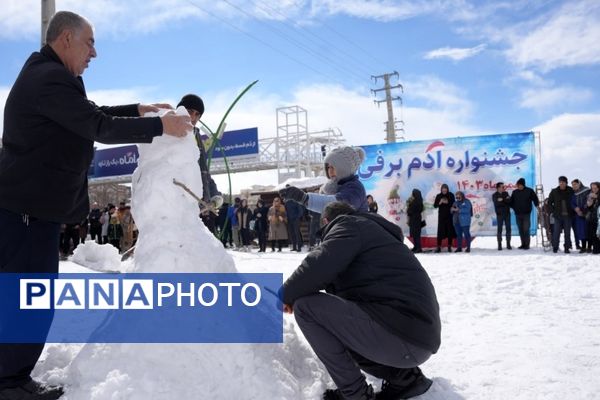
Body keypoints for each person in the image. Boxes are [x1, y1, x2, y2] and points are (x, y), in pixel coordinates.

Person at [0, 11, 191, 399]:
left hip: (29, 211)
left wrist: (136, 109)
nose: (95, 53)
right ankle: (9, 383)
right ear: (66, 38)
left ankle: (11, 376)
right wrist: (159, 126)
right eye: (90, 42)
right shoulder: (48, 79)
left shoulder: (53, 77)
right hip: (25, 213)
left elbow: (92, 114)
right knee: (28, 301)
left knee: (25, 298)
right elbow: (98, 127)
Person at [280, 201, 440, 400]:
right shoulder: (372, 234)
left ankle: (355, 395)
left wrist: (285, 295)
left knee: (306, 308)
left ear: (327, 221)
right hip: (415, 338)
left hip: (401, 336)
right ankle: (406, 379)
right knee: (337, 322)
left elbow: (321, 263)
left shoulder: (349, 225)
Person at [177, 94, 221, 234]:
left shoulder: (196, 136)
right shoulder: (170, 134)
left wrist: (214, 195)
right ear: (181, 110)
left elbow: (204, 171)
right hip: (182, 207)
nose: (194, 117)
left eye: (198, 114)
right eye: (190, 112)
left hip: (203, 206)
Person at [280, 146, 368, 214]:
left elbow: (338, 206)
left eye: (334, 166)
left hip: (356, 235)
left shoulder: (355, 188)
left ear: (345, 168)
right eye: (328, 167)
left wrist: (303, 198)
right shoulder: (332, 188)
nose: (330, 170)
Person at [509, 178, 539, 250]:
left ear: (523, 184)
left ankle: (527, 245)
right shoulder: (515, 192)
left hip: (526, 214)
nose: (519, 186)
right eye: (518, 185)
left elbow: (535, 198)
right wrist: (514, 208)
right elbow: (511, 202)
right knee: (520, 230)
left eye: (520, 185)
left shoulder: (529, 191)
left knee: (526, 229)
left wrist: (537, 205)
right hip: (518, 214)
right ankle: (522, 244)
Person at [547, 176, 575, 254]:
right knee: (556, 232)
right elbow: (549, 203)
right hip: (557, 216)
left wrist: (573, 211)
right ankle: (555, 247)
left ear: (566, 183)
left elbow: (574, 201)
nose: (561, 183)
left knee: (567, 233)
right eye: (560, 182)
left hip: (568, 216)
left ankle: (567, 248)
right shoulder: (554, 191)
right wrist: (553, 211)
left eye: (563, 182)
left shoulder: (571, 190)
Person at [433, 183, 455, 253]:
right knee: (440, 231)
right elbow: (435, 206)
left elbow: (454, 204)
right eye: (443, 189)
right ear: (441, 189)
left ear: (447, 189)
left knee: (449, 231)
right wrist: (440, 202)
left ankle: (449, 246)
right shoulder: (438, 196)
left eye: (445, 189)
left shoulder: (451, 195)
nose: (444, 190)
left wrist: (447, 202)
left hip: (449, 216)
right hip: (441, 216)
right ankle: (439, 247)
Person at [571, 179, 590, 253]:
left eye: (575, 184)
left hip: (587, 214)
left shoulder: (586, 191)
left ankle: (589, 247)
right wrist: (575, 208)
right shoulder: (574, 194)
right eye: (572, 185)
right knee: (581, 231)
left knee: (588, 230)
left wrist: (581, 209)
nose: (574, 186)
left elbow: (588, 200)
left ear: (579, 184)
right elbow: (572, 203)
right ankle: (583, 247)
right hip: (578, 215)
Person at [492, 182, 512, 250]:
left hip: (507, 214)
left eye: (504, 187)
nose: (504, 188)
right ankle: (499, 244)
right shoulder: (494, 195)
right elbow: (497, 203)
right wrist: (505, 200)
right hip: (499, 214)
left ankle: (508, 244)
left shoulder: (506, 193)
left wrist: (502, 200)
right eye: (502, 187)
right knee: (499, 229)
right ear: (498, 188)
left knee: (508, 229)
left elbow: (509, 201)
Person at [284, 187, 304, 252]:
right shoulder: (286, 202)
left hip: (295, 219)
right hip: (290, 220)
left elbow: (300, 210)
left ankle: (299, 247)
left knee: (297, 233)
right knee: (292, 233)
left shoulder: (295, 200)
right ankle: (294, 247)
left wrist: (297, 217)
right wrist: (286, 217)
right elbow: (286, 211)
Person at [406, 189, 424, 253]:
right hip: (416, 219)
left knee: (416, 234)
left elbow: (409, 211)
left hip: (415, 219)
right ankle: (416, 247)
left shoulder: (415, 202)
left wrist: (409, 210)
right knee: (415, 234)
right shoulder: (419, 202)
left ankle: (418, 247)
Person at [584, 182, 600, 254]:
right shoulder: (590, 195)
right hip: (591, 218)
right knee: (592, 234)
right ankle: (594, 248)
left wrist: (597, 197)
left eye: (595, 188)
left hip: (598, 218)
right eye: (592, 188)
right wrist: (588, 204)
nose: (594, 190)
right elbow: (586, 207)